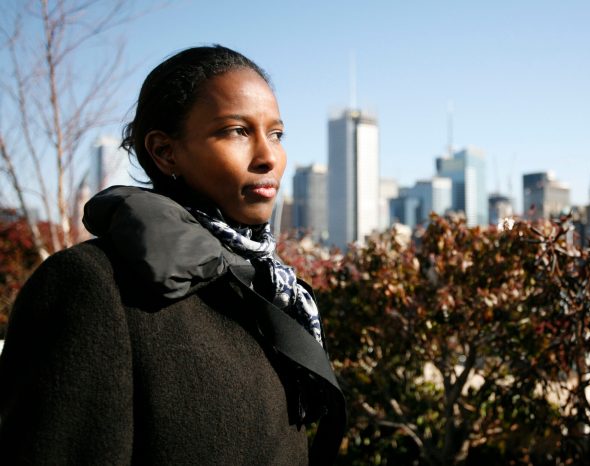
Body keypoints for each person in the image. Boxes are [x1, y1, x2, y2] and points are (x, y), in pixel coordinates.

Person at [0, 45, 345, 465]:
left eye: (276, 134)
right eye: (237, 130)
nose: (268, 156)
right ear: (166, 152)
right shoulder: (91, 285)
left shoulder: (270, 287)